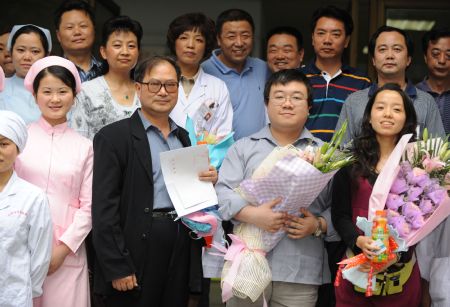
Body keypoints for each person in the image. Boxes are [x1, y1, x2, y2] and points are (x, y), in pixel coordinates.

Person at [91, 56, 217, 307]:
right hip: (135, 245)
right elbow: (104, 209)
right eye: (154, 84)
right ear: (138, 88)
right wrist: (117, 266)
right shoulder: (114, 137)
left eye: (171, 85)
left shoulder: (184, 137)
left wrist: (207, 180)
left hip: (179, 241)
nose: (163, 91)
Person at [216, 69, 333, 307]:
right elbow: (221, 193)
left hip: (299, 269)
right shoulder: (243, 148)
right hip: (246, 262)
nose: (287, 104)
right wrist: (252, 214)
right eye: (279, 97)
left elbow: (341, 208)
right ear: (266, 105)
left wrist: (318, 225)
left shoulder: (326, 154)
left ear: (309, 107)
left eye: (296, 97)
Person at [331, 83, 421, 306]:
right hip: (356, 274)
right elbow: (339, 215)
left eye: (397, 109)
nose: (388, 114)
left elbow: (423, 219)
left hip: (401, 280)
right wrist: (359, 240)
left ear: (407, 120)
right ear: (369, 117)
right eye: (380, 107)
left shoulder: (418, 167)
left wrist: (395, 252)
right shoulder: (350, 163)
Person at [14, 56, 93, 307]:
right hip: (19, 246)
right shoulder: (19, 140)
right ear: (35, 95)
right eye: (47, 91)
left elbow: (89, 205)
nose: (55, 99)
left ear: (73, 95)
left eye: (62, 91)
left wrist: (63, 249)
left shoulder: (85, 146)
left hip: (67, 252)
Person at [336, 26, 445, 143]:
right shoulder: (354, 102)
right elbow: (340, 152)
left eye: (397, 49)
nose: (390, 56)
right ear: (373, 59)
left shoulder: (426, 102)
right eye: (382, 49)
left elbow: (439, 154)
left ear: (408, 59)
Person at [0, 110, 52, 307]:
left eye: (4, 144)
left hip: (15, 296)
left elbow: (40, 255)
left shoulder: (33, 197)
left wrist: (28, 288)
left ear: (18, 148)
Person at [301, 5, 371, 142]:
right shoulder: (296, 78)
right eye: (321, 33)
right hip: (301, 158)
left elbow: (365, 129)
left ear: (346, 41)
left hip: (346, 159)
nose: (327, 40)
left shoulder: (362, 82)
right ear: (313, 38)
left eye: (335, 34)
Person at [70, 15, 142, 140]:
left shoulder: (146, 90)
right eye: (117, 45)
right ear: (103, 52)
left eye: (131, 46)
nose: (125, 52)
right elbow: (78, 140)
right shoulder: (86, 91)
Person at [202, 8, 269, 140]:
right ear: (219, 39)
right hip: (219, 156)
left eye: (245, 36)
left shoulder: (263, 68)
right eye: (231, 36)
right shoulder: (204, 71)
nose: (239, 43)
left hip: (258, 155)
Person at [166, 12, 233, 139]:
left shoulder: (218, 87)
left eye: (198, 40)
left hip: (205, 157)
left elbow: (223, 135)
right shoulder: (158, 81)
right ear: (174, 43)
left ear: (206, 46)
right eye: (184, 38)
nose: (190, 45)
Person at [0, 24, 51, 124]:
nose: (27, 57)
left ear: (46, 55)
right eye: (20, 50)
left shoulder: (58, 90)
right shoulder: (1, 86)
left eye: (35, 51)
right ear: (10, 52)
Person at [54, 0, 102, 82]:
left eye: (83, 26)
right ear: (58, 35)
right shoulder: (50, 71)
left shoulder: (109, 72)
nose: (77, 32)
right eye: (70, 27)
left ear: (94, 31)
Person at [416, 28, 450, 134]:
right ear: (425, 57)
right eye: (435, 54)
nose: (442, 61)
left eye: (449, 55)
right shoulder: (412, 94)